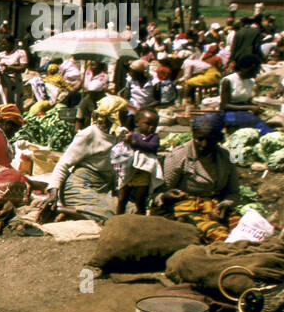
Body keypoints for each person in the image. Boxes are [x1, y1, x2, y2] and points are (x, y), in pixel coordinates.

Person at [155, 114, 240, 243]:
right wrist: (165, 196)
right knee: (218, 234)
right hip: (185, 209)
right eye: (200, 139)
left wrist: (224, 205)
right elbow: (160, 192)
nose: (204, 145)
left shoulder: (225, 157)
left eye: (210, 140)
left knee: (244, 229)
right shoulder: (178, 156)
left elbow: (233, 192)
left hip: (214, 206)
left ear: (218, 138)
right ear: (193, 135)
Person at [40, 99, 124, 222]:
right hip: (80, 186)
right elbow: (63, 164)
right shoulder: (89, 134)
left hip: (103, 187)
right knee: (109, 216)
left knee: (126, 210)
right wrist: (53, 194)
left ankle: (76, 212)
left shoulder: (119, 134)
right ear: (113, 115)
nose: (128, 116)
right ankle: (60, 210)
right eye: (124, 113)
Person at [113, 107, 162, 215]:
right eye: (148, 123)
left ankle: (141, 221)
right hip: (127, 173)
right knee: (122, 199)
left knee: (140, 201)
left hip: (142, 174)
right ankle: (117, 220)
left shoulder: (154, 137)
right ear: (137, 122)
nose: (151, 127)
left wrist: (135, 143)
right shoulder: (132, 135)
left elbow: (151, 147)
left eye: (155, 125)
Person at [216, 57, 271, 133]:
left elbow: (247, 101)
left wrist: (258, 106)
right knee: (257, 123)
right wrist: (250, 107)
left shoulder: (251, 81)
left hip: (244, 112)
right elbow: (224, 105)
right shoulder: (228, 80)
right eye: (254, 71)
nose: (256, 73)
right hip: (229, 113)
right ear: (245, 68)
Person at [0, 36, 27, 107]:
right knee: (2, 102)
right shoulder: (1, 54)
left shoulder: (20, 53)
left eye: (5, 44)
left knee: (14, 102)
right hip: (2, 81)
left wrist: (9, 67)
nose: (2, 45)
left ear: (11, 43)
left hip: (14, 82)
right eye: (2, 44)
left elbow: (23, 68)